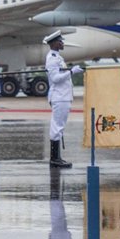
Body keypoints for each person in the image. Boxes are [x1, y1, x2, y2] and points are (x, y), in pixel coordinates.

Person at [44, 30, 82, 168]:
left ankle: (57, 157)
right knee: (57, 127)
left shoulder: (57, 57)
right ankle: (54, 159)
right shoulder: (52, 59)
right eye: (60, 41)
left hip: (63, 96)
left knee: (59, 126)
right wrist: (71, 71)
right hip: (59, 97)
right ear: (54, 43)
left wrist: (69, 71)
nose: (62, 43)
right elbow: (55, 79)